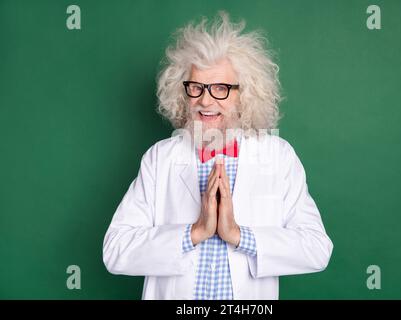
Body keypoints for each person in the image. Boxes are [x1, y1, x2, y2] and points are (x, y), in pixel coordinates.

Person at [103, 11, 333, 300]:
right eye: (196, 87)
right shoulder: (159, 159)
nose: (206, 100)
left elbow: (316, 248)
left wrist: (238, 235)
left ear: (245, 94)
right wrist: (194, 233)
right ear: (182, 92)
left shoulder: (278, 157)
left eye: (221, 88)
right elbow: (115, 250)